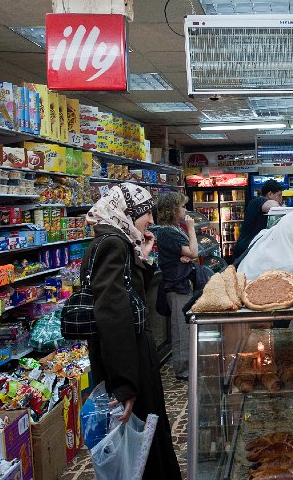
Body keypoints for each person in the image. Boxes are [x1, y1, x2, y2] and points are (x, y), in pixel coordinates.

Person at [83, 184, 182, 480]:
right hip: (129, 361)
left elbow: (129, 294)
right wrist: (125, 384)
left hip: (131, 358)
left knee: (148, 439)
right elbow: (113, 314)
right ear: (127, 213)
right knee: (144, 445)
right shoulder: (112, 244)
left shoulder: (117, 241)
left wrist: (143, 256)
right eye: (146, 212)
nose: (151, 220)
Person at [150, 192, 198, 381]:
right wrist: (191, 228)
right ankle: (183, 369)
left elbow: (190, 252)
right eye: (182, 206)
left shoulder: (172, 229)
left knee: (184, 326)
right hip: (176, 286)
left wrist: (186, 255)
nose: (185, 210)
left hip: (180, 283)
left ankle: (187, 366)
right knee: (181, 329)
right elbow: (193, 251)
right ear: (172, 209)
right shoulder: (168, 231)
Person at [233, 179, 285, 260]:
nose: (281, 199)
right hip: (245, 250)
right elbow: (273, 206)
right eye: (279, 195)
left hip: (252, 249)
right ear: (270, 194)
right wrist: (282, 207)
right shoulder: (257, 201)